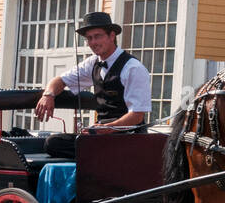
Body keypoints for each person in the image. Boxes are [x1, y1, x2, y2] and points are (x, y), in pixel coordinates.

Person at [35, 12, 151, 148]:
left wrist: (108, 128)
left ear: (112, 36)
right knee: (52, 143)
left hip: (128, 138)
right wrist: (48, 95)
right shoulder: (92, 63)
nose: (93, 43)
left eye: (97, 36)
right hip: (100, 135)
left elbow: (137, 115)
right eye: (89, 38)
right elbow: (60, 80)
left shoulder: (133, 68)